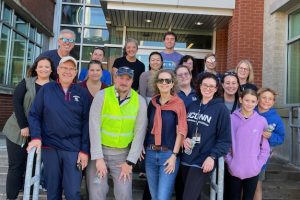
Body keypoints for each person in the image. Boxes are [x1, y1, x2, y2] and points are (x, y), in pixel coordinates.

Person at [27, 56, 90, 200]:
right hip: (50, 147)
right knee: (53, 192)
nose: (67, 71)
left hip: (73, 149)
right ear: (58, 70)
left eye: (71, 69)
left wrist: (84, 150)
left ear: (75, 73)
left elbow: (87, 123)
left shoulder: (82, 93)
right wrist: (36, 137)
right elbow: (34, 114)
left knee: (73, 192)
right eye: (64, 68)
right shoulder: (47, 89)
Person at [87, 66, 148, 200]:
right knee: (97, 192)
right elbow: (93, 126)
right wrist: (98, 158)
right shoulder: (102, 95)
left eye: (128, 79)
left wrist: (130, 163)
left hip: (122, 156)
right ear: (115, 78)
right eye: (121, 77)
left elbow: (139, 134)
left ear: (132, 81)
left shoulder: (140, 101)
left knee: (124, 194)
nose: (124, 82)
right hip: (99, 153)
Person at [2, 57, 55, 200]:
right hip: (18, 130)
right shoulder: (27, 82)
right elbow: (17, 103)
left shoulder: (54, 86)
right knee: (16, 166)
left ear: (51, 69)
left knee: (32, 168)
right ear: (36, 68)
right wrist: (23, 125)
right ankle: (11, 197)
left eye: (47, 67)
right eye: (41, 66)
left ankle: (29, 196)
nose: (44, 69)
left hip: (39, 133)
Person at [181, 72, 231, 200]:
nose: (208, 88)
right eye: (205, 85)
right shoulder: (192, 105)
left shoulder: (221, 110)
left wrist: (212, 157)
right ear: (199, 86)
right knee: (187, 195)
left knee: (188, 197)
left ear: (216, 89)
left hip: (203, 160)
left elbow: (225, 140)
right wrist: (184, 138)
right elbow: (183, 127)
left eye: (211, 86)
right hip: (186, 156)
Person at [144, 69, 187, 200]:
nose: (164, 83)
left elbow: (181, 131)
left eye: (167, 80)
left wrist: (174, 156)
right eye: (161, 80)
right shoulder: (152, 103)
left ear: (172, 83)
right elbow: (146, 127)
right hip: (150, 155)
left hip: (168, 155)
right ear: (156, 83)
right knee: (154, 196)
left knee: (162, 197)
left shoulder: (178, 104)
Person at [226, 89, 270, 200]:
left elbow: (265, 147)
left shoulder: (261, 121)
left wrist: (258, 164)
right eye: (247, 100)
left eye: (253, 101)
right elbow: (226, 142)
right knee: (233, 197)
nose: (249, 104)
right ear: (241, 100)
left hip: (253, 170)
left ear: (256, 102)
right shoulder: (231, 119)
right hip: (234, 169)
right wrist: (230, 161)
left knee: (248, 198)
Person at [254, 88, 285, 200]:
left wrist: (271, 136)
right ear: (257, 99)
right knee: (244, 186)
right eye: (264, 97)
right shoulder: (250, 111)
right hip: (245, 155)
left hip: (261, 157)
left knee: (257, 185)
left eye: (270, 99)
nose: (267, 101)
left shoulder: (276, 119)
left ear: (273, 102)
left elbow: (281, 138)